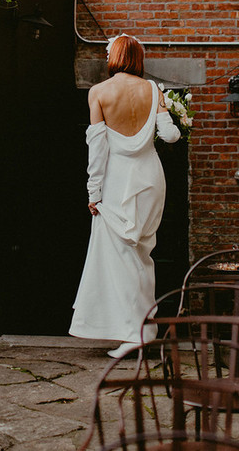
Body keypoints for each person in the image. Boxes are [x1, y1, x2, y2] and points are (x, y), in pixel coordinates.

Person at [69, 33, 181, 358]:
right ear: (138, 58)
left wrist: (93, 193)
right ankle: (142, 330)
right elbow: (171, 136)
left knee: (123, 256)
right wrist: (167, 112)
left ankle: (137, 333)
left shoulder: (99, 93)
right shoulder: (152, 89)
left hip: (116, 180)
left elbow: (97, 151)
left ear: (113, 57)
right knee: (142, 253)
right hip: (149, 176)